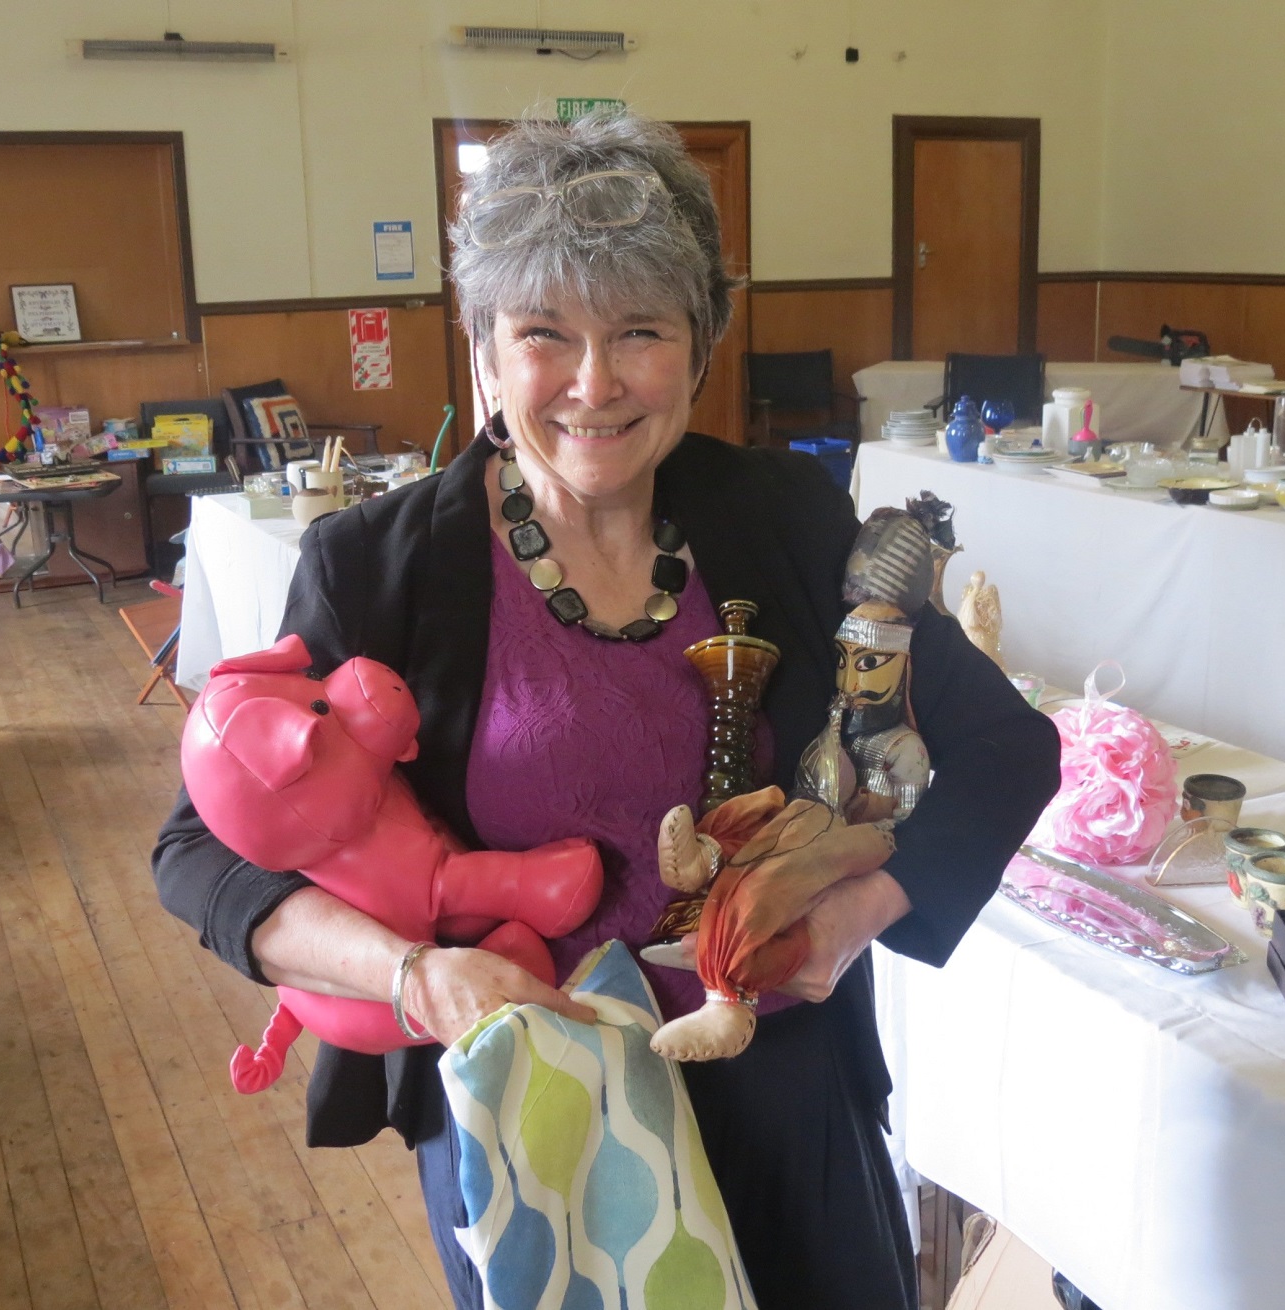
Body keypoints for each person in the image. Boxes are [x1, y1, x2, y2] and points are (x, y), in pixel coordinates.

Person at [153, 111, 1060, 1310]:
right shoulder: (379, 567)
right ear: (483, 351)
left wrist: (855, 913)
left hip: (780, 1085)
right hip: (538, 1120)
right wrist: (418, 974)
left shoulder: (783, 517)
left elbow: (1008, 745)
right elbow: (199, 852)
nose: (594, 383)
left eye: (639, 330)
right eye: (545, 335)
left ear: (698, 348)